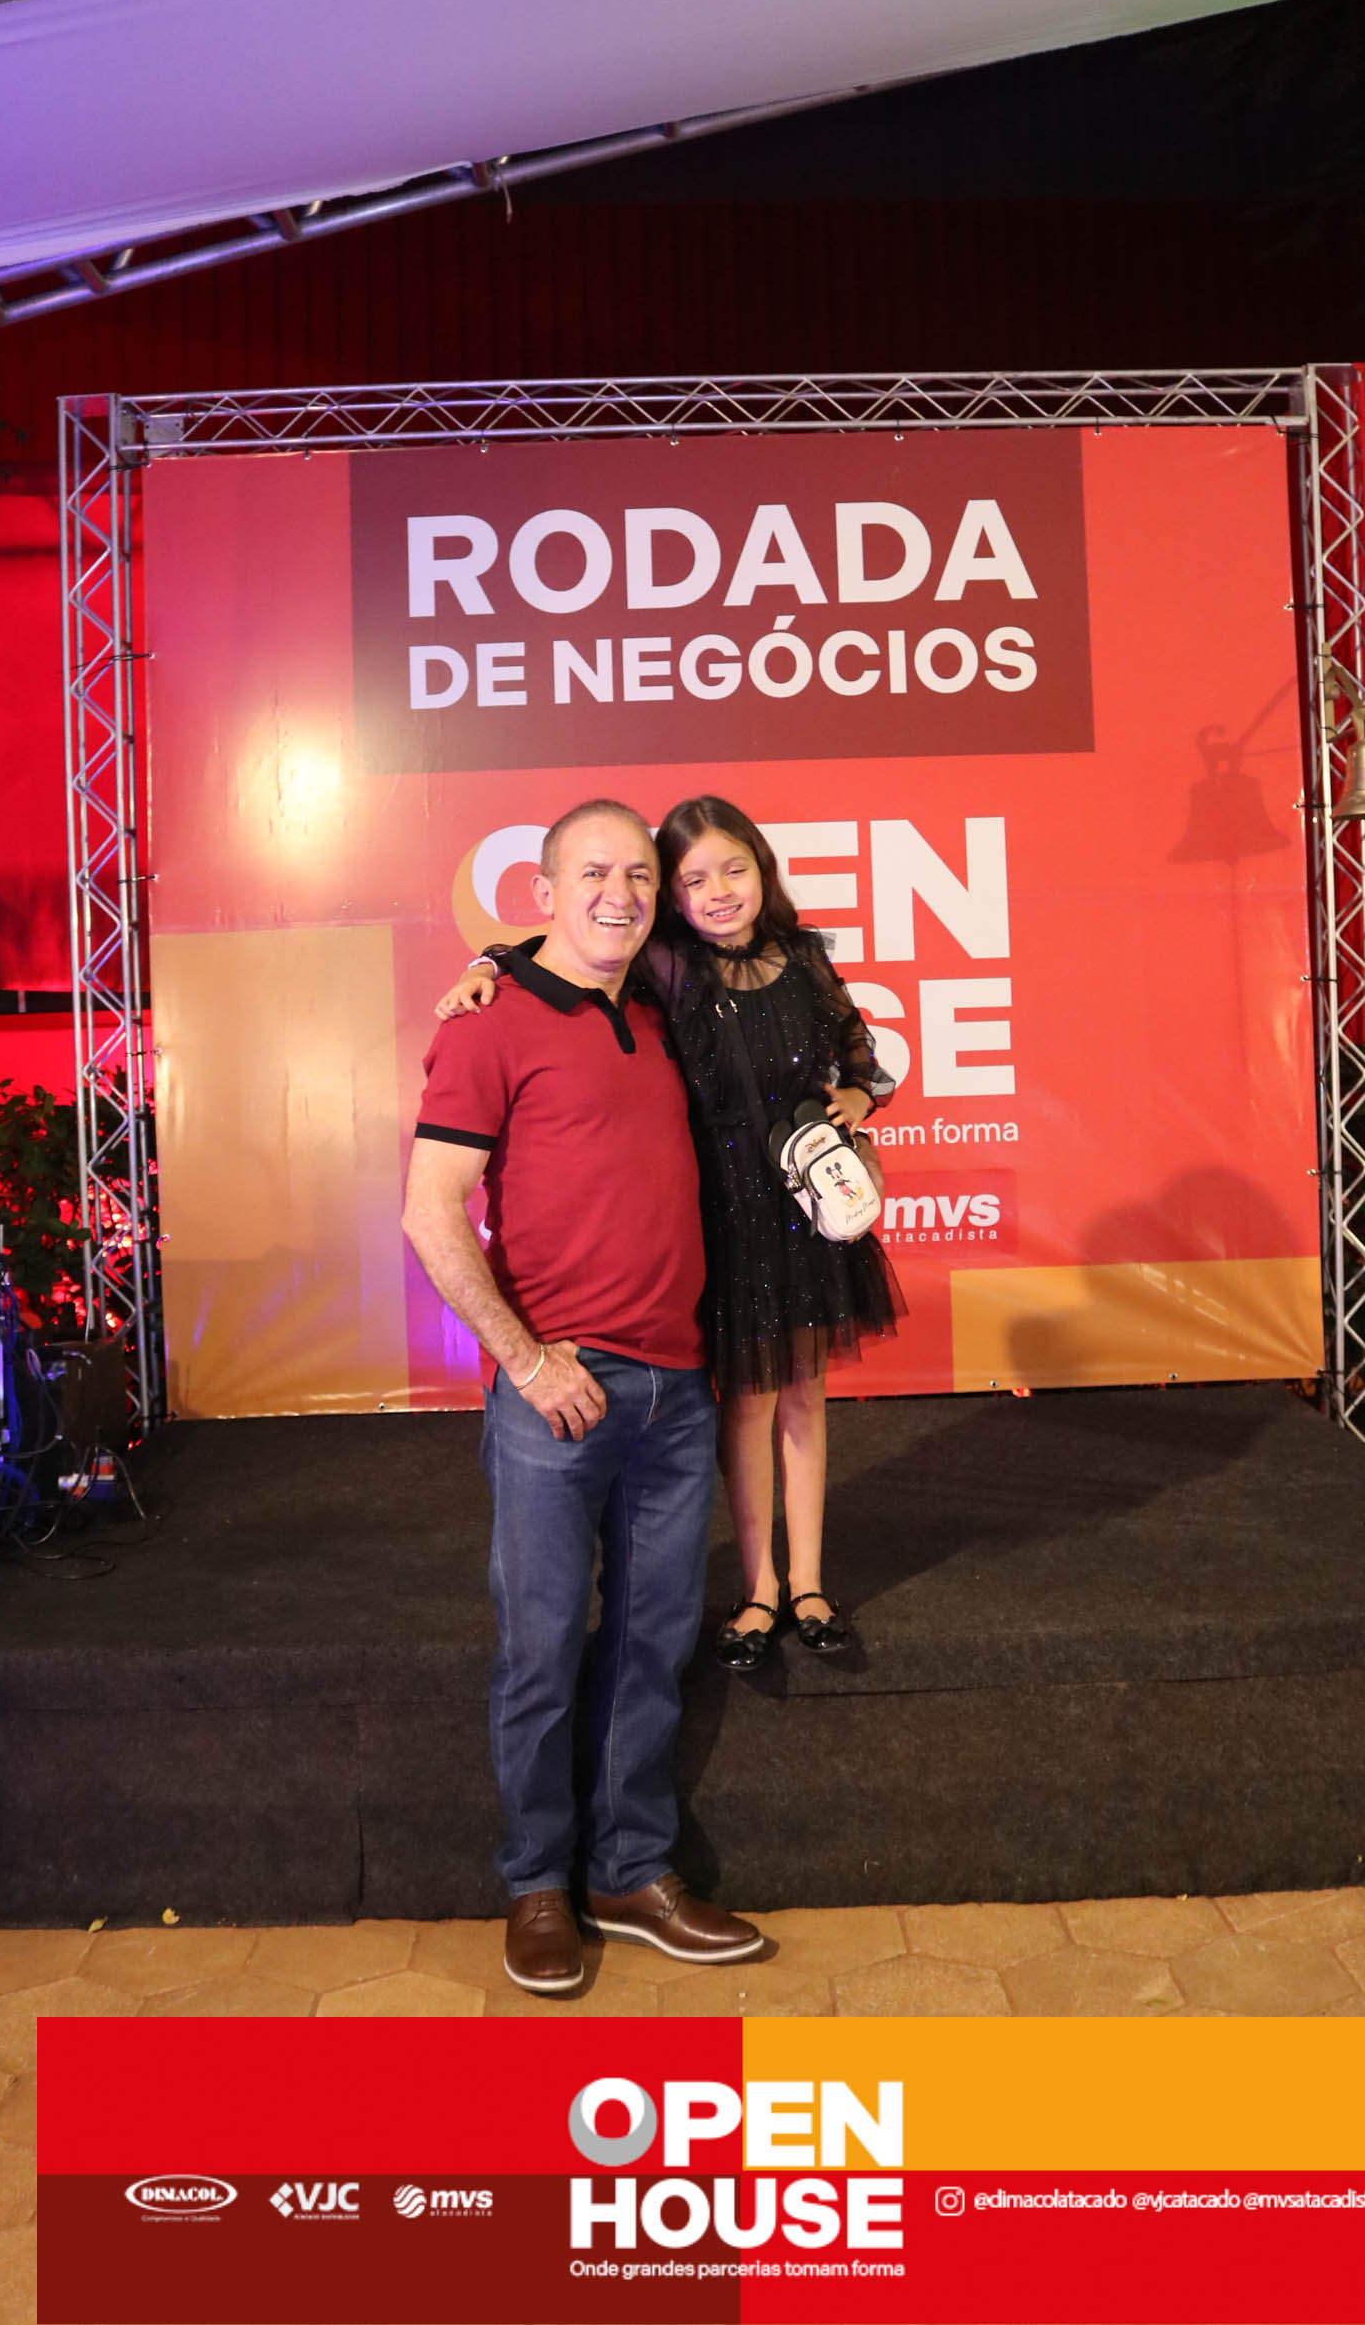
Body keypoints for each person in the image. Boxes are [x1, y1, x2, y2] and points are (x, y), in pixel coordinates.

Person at [403, 798, 764, 1995]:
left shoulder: (658, 1012)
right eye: (594, 873)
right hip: (558, 1388)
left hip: (676, 1389)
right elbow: (428, 1211)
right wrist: (524, 1360)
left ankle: (631, 1870)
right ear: (544, 890)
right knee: (543, 1647)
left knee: (652, 1643)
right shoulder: (486, 1025)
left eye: (639, 877)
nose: (621, 894)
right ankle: (537, 1885)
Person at [439, 794, 903, 1678]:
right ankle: (758, 1588)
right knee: (748, 1403)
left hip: (803, 1215)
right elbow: (560, 949)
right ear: (671, 900)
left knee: (805, 1399)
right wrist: (485, 963)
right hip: (720, 1221)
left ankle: (809, 1584)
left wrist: (855, 1097)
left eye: (735, 869)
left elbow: (860, 1055)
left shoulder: (806, 959)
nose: (718, 891)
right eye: (691, 879)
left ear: (763, 870)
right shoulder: (668, 966)